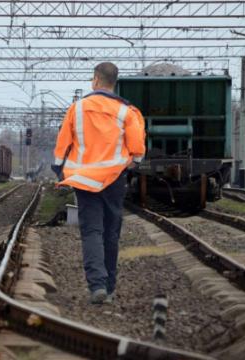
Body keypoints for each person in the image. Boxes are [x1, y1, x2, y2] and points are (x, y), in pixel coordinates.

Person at [51, 62, 146, 304]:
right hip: (114, 180)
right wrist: (128, 165)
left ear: (95, 80)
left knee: (92, 230)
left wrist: (59, 170)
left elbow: (62, 146)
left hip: (84, 179)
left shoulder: (78, 108)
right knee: (111, 232)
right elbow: (137, 151)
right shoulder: (128, 112)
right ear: (114, 82)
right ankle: (110, 287)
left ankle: (97, 286)